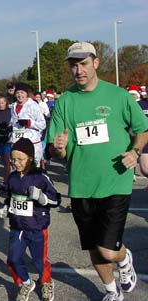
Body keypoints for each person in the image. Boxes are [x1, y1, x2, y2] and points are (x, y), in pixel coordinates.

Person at [47, 42, 148, 301]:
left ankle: (124, 258)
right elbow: (56, 147)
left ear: (96, 63)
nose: (78, 70)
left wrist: (135, 152)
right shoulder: (65, 102)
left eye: (83, 63)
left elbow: (142, 129)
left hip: (115, 180)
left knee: (108, 251)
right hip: (81, 185)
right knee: (93, 248)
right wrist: (58, 148)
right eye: (73, 65)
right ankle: (111, 291)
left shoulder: (119, 96)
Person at [0, 138, 60, 301]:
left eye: (20, 159)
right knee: (13, 259)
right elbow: (11, 197)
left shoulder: (40, 177)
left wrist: (42, 198)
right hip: (17, 226)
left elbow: (56, 199)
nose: (16, 163)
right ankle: (26, 282)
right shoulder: (11, 177)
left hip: (37, 227)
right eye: (13, 159)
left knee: (40, 261)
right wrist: (6, 206)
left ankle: (46, 281)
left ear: (30, 158)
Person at [9, 83, 46, 165]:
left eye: (22, 92)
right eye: (18, 93)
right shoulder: (13, 106)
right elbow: (12, 121)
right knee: (19, 169)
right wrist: (10, 128)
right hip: (17, 143)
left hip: (32, 143)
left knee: (33, 170)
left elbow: (43, 124)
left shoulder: (33, 105)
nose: (20, 95)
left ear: (26, 93)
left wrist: (29, 123)